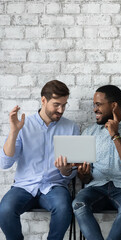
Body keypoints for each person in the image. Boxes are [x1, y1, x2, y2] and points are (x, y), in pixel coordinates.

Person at [0, 80, 79, 239]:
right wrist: (14, 131)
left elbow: (73, 170)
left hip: (54, 186)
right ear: (43, 100)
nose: (61, 110)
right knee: (5, 210)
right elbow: (5, 163)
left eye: (64, 105)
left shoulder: (71, 128)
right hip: (24, 185)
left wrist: (65, 171)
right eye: (56, 104)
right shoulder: (24, 125)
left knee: (64, 208)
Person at [72, 85, 121, 240]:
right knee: (78, 204)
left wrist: (115, 135)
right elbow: (85, 179)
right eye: (94, 105)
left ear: (114, 106)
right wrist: (83, 174)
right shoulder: (90, 132)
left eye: (98, 105)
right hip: (96, 187)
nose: (94, 109)